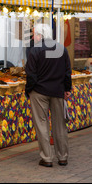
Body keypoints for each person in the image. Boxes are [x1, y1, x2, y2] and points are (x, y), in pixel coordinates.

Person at [25, 23, 72, 167]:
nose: (33, 37)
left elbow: (31, 74)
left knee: (42, 124)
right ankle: (62, 156)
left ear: (40, 35)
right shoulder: (61, 48)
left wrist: (28, 89)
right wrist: (67, 89)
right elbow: (67, 72)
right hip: (58, 90)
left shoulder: (35, 50)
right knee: (60, 125)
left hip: (39, 91)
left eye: (34, 34)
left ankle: (47, 158)